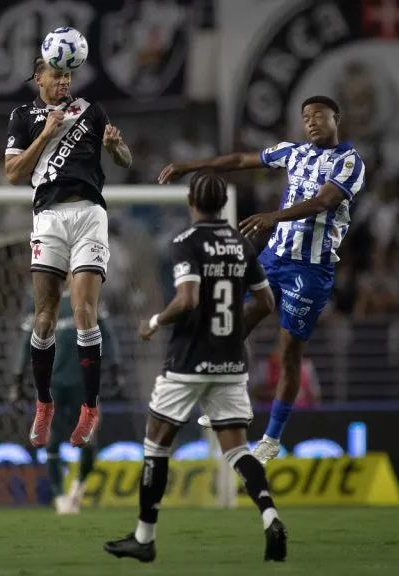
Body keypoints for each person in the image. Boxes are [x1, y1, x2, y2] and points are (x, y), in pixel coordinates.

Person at [159, 95, 365, 464]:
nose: (312, 122)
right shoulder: (293, 152)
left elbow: (323, 202)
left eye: (319, 115)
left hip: (311, 269)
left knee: (289, 353)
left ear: (337, 118)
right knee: (225, 314)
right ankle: (228, 398)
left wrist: (274, 217)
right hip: (273, 257)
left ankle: (271, 438)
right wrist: (189, 166)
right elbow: (240, 160)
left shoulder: (350, 162)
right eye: (306, 117)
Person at [103, 172, 286, 563]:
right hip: (230, 362)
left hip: (188, 360)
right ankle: (269, 513)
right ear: (222, 204)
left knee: (156, 443)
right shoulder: (240, 244)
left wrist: (153, 323)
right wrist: (237, 335)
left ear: (192, 202)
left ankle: (144, 537)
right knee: (237, 448)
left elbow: (187, 300)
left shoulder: (186, 243)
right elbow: (266, 303)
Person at [4, 56, 132, 448]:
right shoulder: (23, 116)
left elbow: (125, 158)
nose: (64, 81)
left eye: (68, 75)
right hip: (48, 218)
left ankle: (89, 409)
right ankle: (44, 406)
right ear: (38, 78)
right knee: (43, 316)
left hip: (89, 214)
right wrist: (44, 135)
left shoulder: (91, 110)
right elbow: (12, 174)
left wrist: (115, 147)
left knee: (83, 312)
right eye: (57, 75)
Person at [10, 273, 120, 514]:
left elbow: (108, 336)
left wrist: (115, 368)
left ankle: (77, 491)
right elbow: (24, 340)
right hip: (52, 382)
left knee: (88, 438)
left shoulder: (90, 297)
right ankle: (59, 497)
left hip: (84, 380)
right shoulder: (39, 300)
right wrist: (17, 379)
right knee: (51, 438)